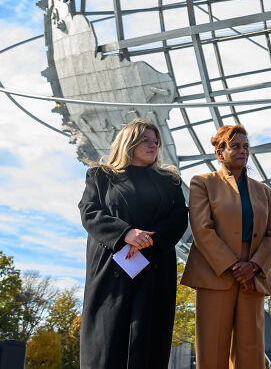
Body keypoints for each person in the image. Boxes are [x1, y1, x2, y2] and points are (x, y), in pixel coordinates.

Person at [78, 118, 189, 369]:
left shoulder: (170, 181)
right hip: (111, 269)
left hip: (154, 268)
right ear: (129, 143)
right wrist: (126, 234)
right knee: (108, 342)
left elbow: (179, 218)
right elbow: (89, 211)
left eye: (156, 141)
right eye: (146, 141)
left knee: (148, 340)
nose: (154, 145)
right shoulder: (101, 175)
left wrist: (147, 241)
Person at [182, 124, 271, 369]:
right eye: (235, 146)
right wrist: (234, 266)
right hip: (216, 274)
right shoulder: (203, 183)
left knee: (251, 352)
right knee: (212, 350)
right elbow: (202, 228)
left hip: (253, 276)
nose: (243, 151)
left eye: (246, 147)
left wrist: (255, 266)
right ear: (220, 152)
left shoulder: (265, 192)